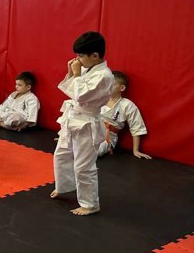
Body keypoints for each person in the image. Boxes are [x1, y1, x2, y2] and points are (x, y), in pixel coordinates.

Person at [51, 31, 114, 216]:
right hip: (72, 118)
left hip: (87, 123)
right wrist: (72, 74)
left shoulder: (105, 76)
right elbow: (71, 91)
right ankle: (64, 186)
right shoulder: (88, 68)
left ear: (94, 55)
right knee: (61, 155)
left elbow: (81, 95)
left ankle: (90, 204)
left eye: (80, 55)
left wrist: (77, 75)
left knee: (83, 166)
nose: (77, 59)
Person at [98, 71, 151, 159]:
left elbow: (136, 127)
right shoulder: (98, 99)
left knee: (94, 152)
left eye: (112, 84)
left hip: (108, 137)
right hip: (91, 130)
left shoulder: (127, 105)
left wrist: (135, 150)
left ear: (122, 88)